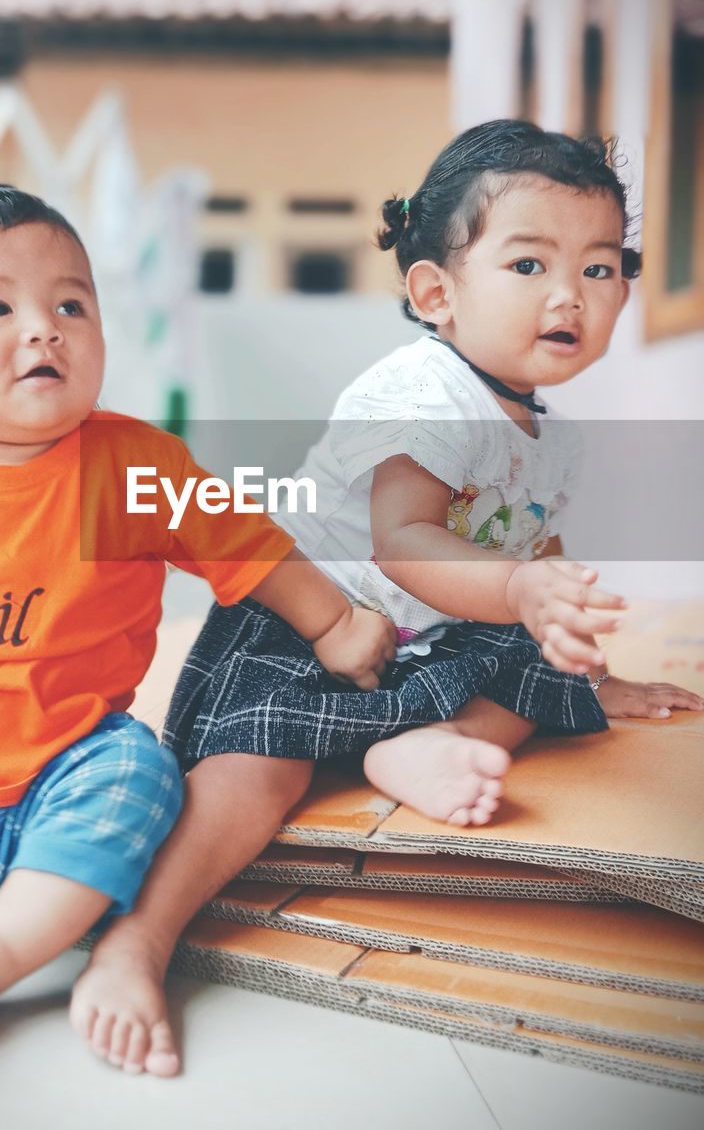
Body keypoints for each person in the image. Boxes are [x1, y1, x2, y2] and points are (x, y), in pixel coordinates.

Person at [70, 119, 704, 1077]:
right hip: (316, 621)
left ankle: (419, 746)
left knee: (540, 674)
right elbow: (403, 542)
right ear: (435, 293)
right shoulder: (418, 389)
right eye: (530, 265)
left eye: (602, 267)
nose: (573, 294)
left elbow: (529, 547)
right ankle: (139, 939)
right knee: (260, 771)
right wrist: (522, 587)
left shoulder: (551, 433)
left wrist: (580, 652)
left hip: (428, 637)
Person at [0, 184, 395, 1051]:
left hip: (68, 747)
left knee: (140, 785)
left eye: (70, 303)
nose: (44, 326)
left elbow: (246, 545)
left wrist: (333, 625)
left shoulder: (127, 466)